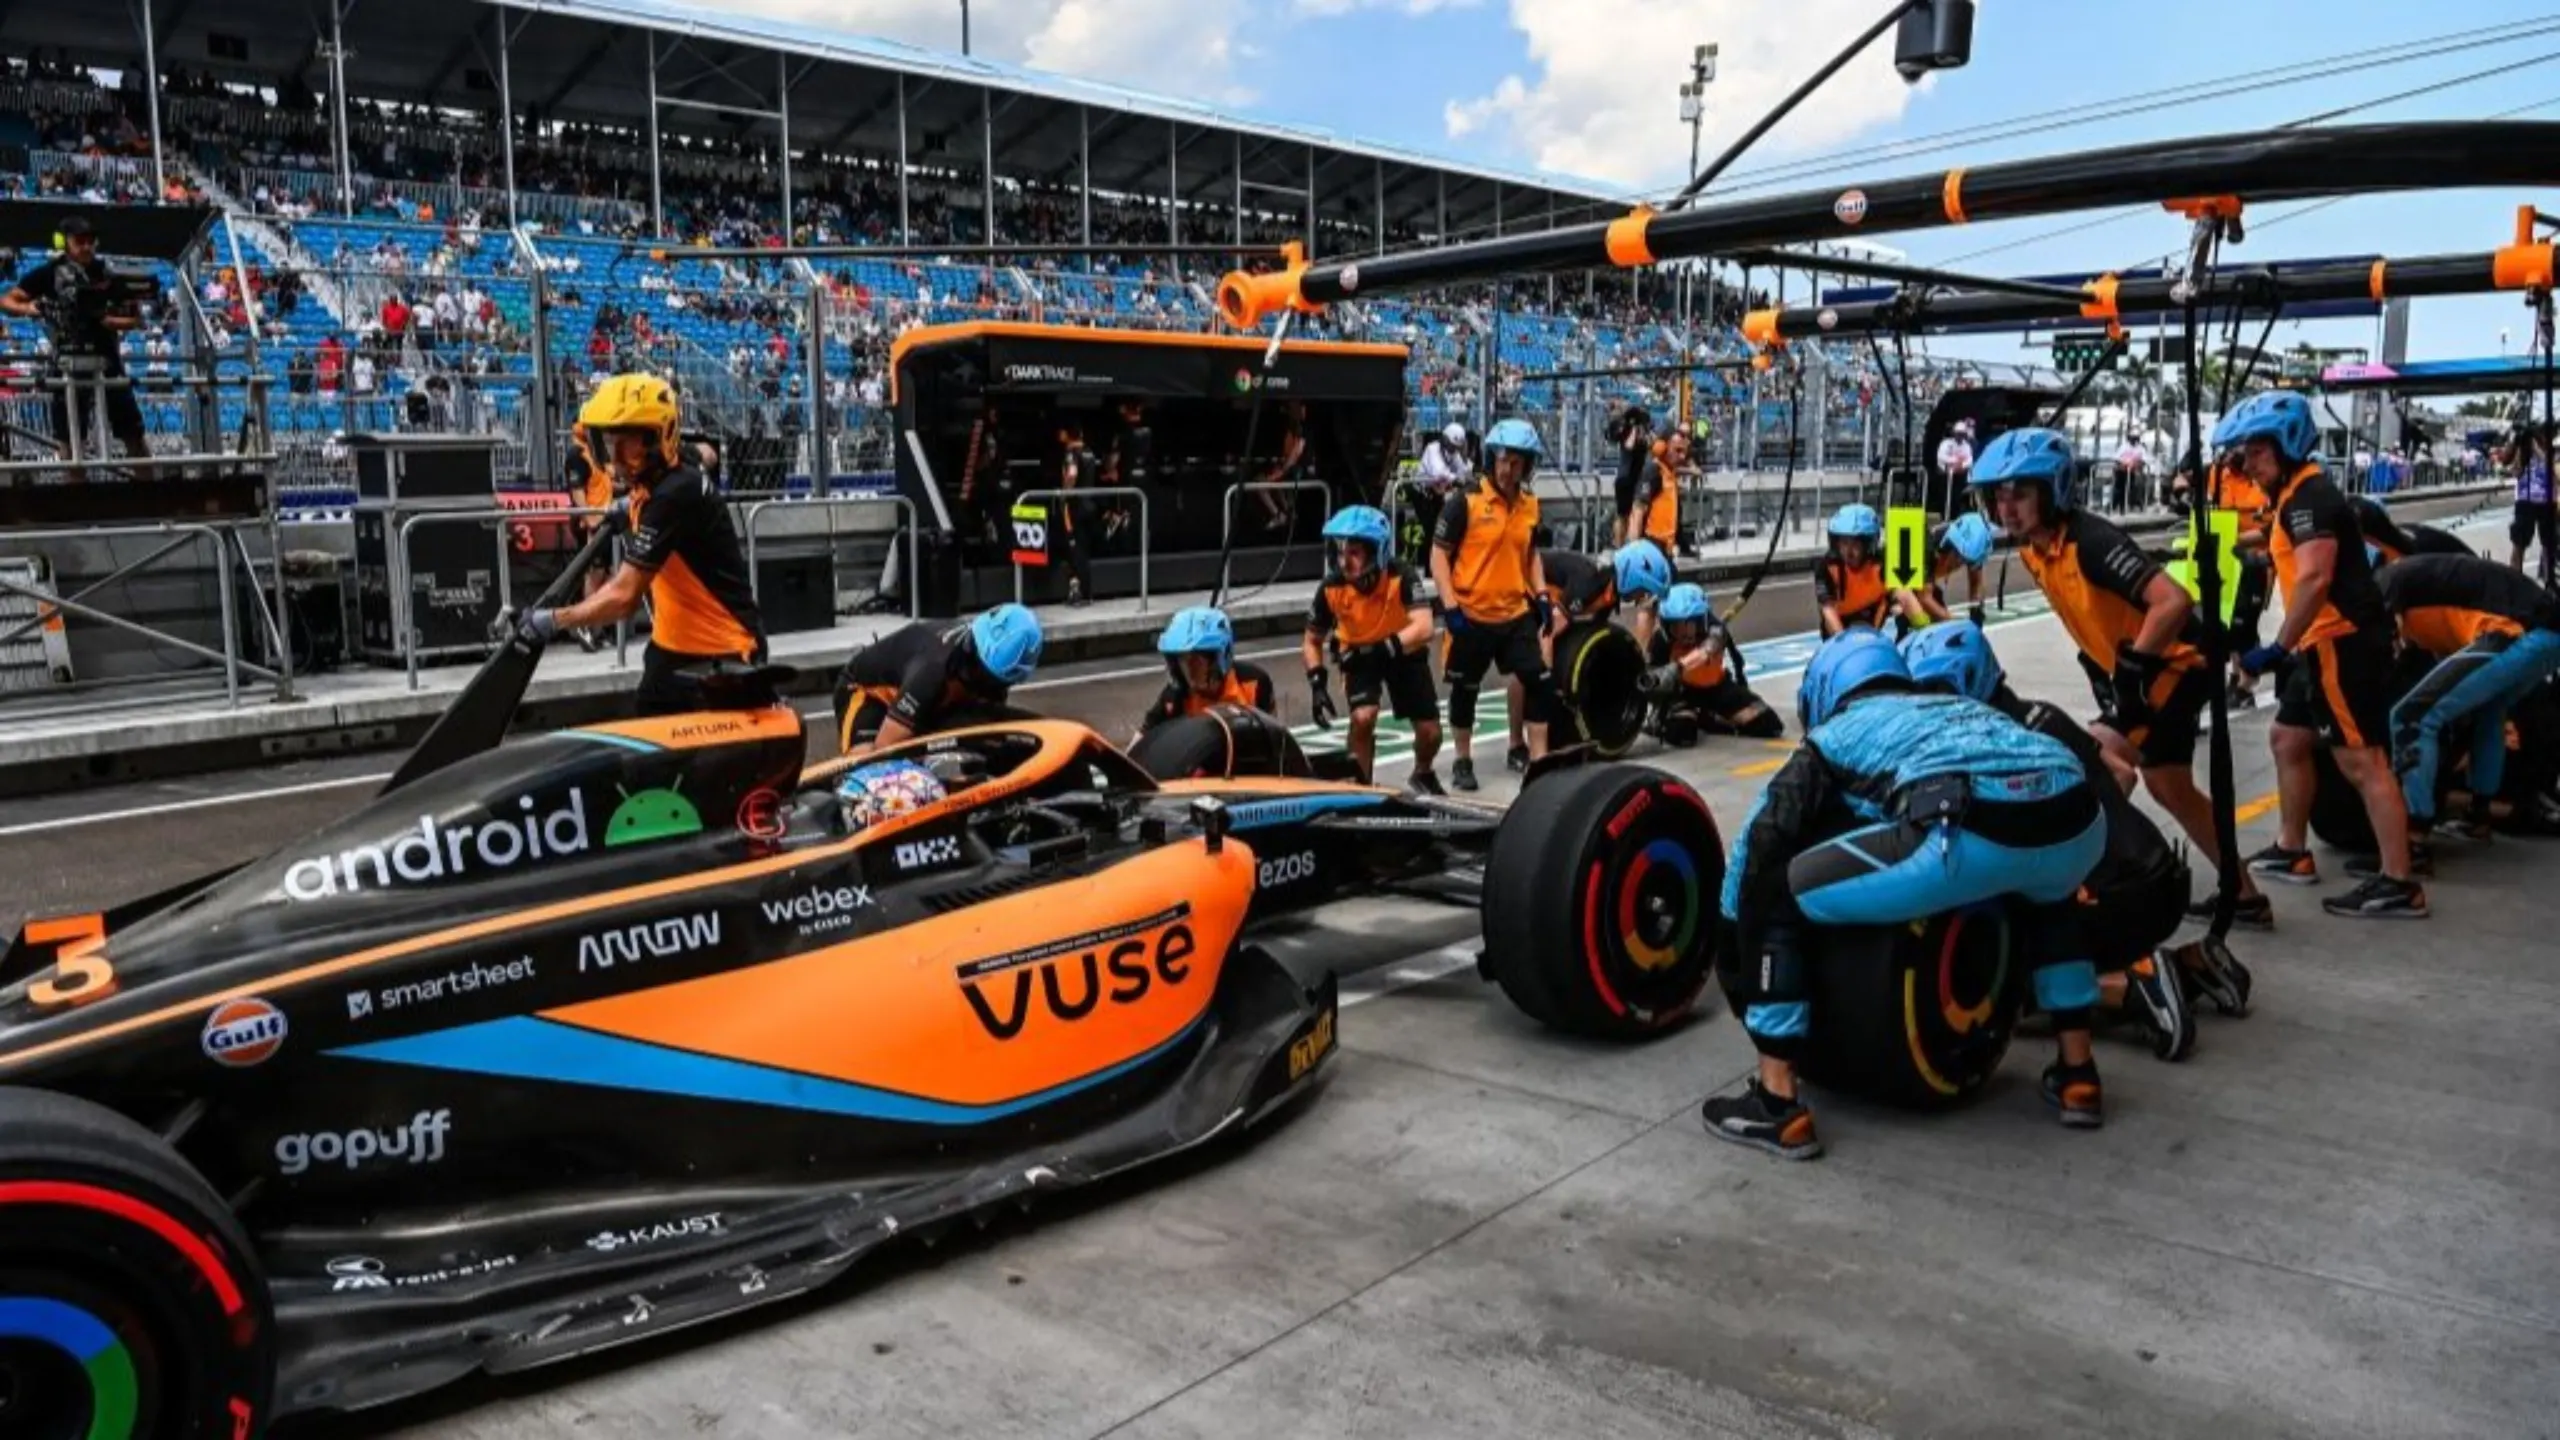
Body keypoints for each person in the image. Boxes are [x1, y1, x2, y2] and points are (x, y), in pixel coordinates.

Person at [1705, 630, 2110, 1159]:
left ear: (1827, 690)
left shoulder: (1838, 734)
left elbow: (1763, 835)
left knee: (1776, 889)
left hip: (1966, 832)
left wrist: (1734, 937)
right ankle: (2078, 1072)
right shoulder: (1958, 706)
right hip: (2079, 822)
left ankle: (1777, 1103)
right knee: (2048, 895)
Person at [1902, 620, 2255, 1058]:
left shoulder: (1990, 742)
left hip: (2111, 902)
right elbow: (2122, 775)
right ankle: (2192, 965)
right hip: (2161, 876)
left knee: (2004, 988)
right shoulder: (2043, 713)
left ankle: (2130, 987)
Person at [1970, 426, 2273, 929]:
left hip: (2176, 665)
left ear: (2052, 490)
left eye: (2019, 494)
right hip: (2147, 671)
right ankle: (2242, 894)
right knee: (2171, 786)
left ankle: (2086, 888)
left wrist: (2133, 668)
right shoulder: (2035, 548)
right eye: (1998, 496)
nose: (2007, 508)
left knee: (2098, 767)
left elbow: (2173, 601)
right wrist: (2106, 669)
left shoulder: (2089, 540)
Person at [2212, 391, 2426, 919]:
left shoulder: (2310, 498)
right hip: (2321, 645)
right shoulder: (2294, 497)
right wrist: (2235, 543)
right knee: (2288, 738)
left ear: (2285, 446)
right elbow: (2281, 540)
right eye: (2243, 457)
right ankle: (2292, 850)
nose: (2248, 465)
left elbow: (2314, 577)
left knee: (2362, 759)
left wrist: (2277, 647)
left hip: (2341, 641)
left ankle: (2399, 882)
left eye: (2255, 454)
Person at [504, 373, 769, 717]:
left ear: (657, 439)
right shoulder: (669, 470)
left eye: (627, 441)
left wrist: (553, 620)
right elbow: (705, 455)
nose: (615, 455)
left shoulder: (674, 495)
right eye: (610, 441)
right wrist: (627, 507)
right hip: (671, 648)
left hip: (722, 653)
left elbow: (624, 597)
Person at [2376, 549, 2560, 845]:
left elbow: (2385, 648)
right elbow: (2447, 665)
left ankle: (2414, 838)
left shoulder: (2385, 582)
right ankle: (2478, 817)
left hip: (2510, 633)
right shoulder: (2422, 580)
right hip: (2547, 636)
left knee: (2411, 716)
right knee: (2489, 711)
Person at [1429, 416, 1561, 790]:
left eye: (1517, 462)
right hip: (1471, 613)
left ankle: (1537, 762)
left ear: (1528, 466)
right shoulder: (1465, 501)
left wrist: (1542, 595)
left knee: (1539, 682)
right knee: (1464, 690)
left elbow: (1531, 553)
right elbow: (1438, 556)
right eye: (1503, 460)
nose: (1508, 469)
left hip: (1515, 612)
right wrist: (1451, 607)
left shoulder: (1530, 504)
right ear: (1491, 459)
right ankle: (1462, 760)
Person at [1306, 506, 1442, 790]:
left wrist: (1384, 648)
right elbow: (1311, 640)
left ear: (1375, 552)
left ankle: (1423, 772)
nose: (1345, 562)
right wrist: (1317, 683)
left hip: (1402, 651)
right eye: (1341, 552)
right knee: (1362, 718)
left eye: (1354, 553)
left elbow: (1425, 627)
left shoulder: (1401, 575)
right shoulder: (1331, 588)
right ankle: (1361, 786)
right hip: (1358, 656)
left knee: (1431, 733)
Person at [0, 216, 152, 465]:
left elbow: (131, 315)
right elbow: (7, 300)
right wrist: (35, 308)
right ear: (64, 242)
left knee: (133, 434)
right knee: (69, 444)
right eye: (80, 241)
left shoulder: (108, 273)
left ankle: (150, 496)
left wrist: (116, 320)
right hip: (67, 360)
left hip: (108, 359)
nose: (87, 246)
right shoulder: (49, 273)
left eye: (91, 241)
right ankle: (75, 499)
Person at [831, 603, 1043, 755]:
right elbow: (885, 748)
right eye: (975, 669)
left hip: (930, 695)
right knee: (869, 769)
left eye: (991, 682)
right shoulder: (931, 668)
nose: (983, 686)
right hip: (866, 692)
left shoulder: (993, 677)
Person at [1641, 583, 1782, 742]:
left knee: (1769, 724)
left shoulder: (1716, 630)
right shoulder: (1660, 640)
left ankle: (1708, 717)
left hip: (1717, 687)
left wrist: (1678, 667)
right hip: (1681, 693)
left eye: (1690, 624)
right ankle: (1675, 718)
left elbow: (1708, 649)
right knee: (1682, 733)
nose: (1684, 632)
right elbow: (1650, 677)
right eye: (1677, 626)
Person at [1139, 605, 1277, 739]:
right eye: (1183, 660)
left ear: (1219, 658)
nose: (1190, 668)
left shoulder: (1254, 683)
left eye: (1197, 659)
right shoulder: (1175, 696)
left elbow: (1276, 738)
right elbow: (1142, 740)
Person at [1814, 504, 1914, 636]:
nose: (1849, 552)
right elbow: (1827, 608)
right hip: (1838, 623)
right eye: (1844, 543)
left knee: (1902, 607)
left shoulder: (1883, 563)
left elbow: (1905, 597)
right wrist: (1843, 642)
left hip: (1872, 618)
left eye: (1855, 544)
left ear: (1868, 545)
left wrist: (1921, 625)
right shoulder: (1826, 566)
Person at [1905, 511, 1997, 628]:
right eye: (1959, 558)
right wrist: (1955, 623)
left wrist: (1976, 614)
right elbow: (1924, 598)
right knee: (1913, 620)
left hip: (1928, 581)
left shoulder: (1971, 548)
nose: (1960, 564)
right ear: (1951, 543)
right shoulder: (1927, 547)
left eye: (1965, 561)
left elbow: (1976, 583)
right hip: (1898, 580)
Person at [2502, 422, 2555, 586]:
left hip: (2546, 499)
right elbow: (2507, 463)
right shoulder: (2522, 449)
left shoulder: (2548, 449)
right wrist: (2515, 440)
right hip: (2525, 500)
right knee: (2519, 543)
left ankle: (2549, 581)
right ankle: (2514, 583)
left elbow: (2552, 467)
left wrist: (2537, 447)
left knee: (2549, 544)